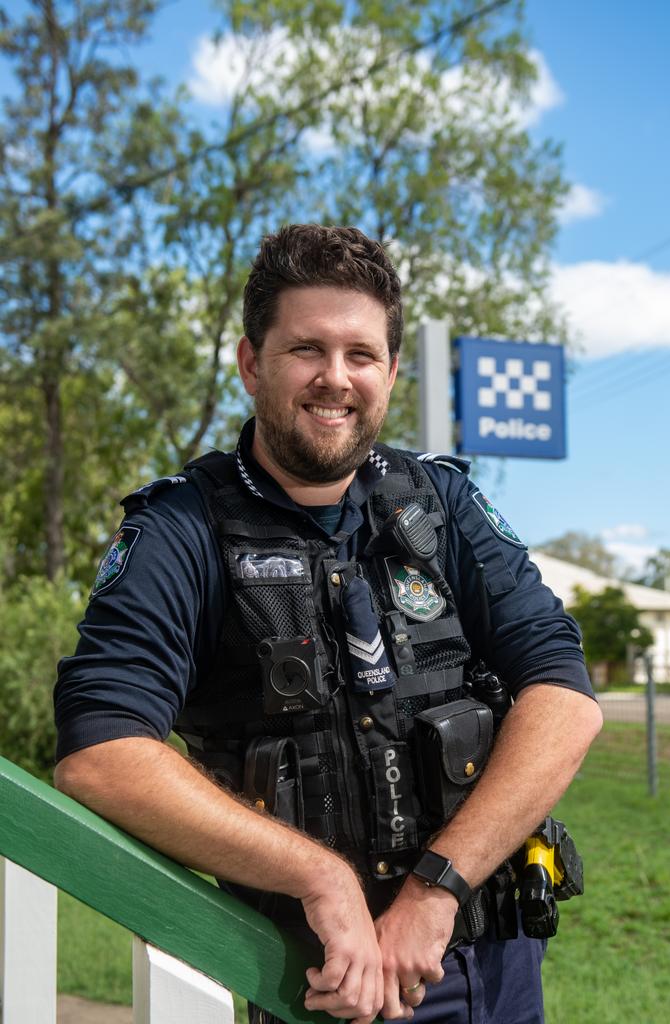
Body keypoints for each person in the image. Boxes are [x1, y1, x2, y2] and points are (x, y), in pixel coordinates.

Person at [54, 224, 602, 1024]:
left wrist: (437, 887)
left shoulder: (442, 505)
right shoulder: (182, 530)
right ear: (251, 364)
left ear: (389, 371)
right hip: (308, 983)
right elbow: (100, 751)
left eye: (360, 354)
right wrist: (323, 879)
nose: (334, 378)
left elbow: (563, 694)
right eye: (306, 349)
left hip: (486, 967)